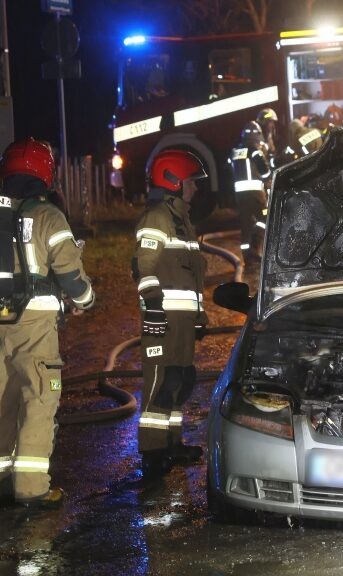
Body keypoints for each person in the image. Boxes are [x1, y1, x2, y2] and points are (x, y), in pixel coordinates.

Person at [0, 138, 94, 508]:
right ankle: (31, 487)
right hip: (35, 326)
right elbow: (70, 273)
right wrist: (86, 299)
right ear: (45, 173)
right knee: (38, 399)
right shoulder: (48, 216)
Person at [132, 149, 209, 479]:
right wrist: (152, 307)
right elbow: (143, 265)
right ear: (174, 181)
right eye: (192, 182)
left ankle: (172, 443)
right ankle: (153, 450)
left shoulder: (182, 220)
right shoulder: (157, 218)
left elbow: (192, 275)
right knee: (159, 384)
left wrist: (200, 314)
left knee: (180, 380)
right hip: (161, 319)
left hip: (182, 321)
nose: (196, 189)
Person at [230, 123, 272, 265]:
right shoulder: (255, 150)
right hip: (255, 193)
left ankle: (247, 257)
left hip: (239, 196)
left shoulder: (235, 151)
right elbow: (266, 173)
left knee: (245, 225)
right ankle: (256, 245)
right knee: (265, 219)